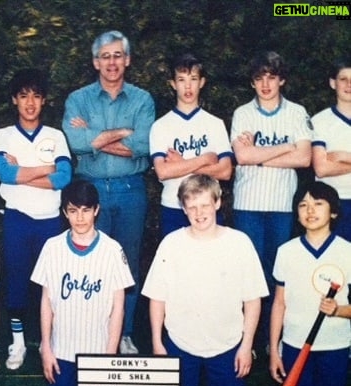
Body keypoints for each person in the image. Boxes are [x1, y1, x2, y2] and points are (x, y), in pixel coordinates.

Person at [141, 174, 268, 386]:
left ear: (217, 203)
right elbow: (157, 297)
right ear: (184, 209)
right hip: (181, 341)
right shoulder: (172, 243)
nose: (199, 213)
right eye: (192, 207)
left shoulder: (239, 243)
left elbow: (252, 300)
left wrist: (246, 345)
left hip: (226, 341)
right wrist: (158, 342)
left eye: (205, 205)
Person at [62, 30, 155, 354]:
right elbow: (74, 143)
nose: (112, 62)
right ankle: (94, 334)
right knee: (91, 263)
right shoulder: (78, 99)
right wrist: (121, 135)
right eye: (105, 56)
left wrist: (95, 139)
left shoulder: (143, 99)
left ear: (127, 60)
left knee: (126, 264)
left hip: (131, 192)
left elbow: (145, 144)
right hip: (90, 192)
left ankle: (125, 334)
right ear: (95, 62)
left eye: (118, 55)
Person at [230, 51, 312, 349]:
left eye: (272, 77)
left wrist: (259, 157)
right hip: (247, 205)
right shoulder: (242, 114)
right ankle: (246, 338)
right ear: (252, 82)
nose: (266, 84)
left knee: (278, 274)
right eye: (259, 78)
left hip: (280, 206)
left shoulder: (297, 112)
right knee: (248, 273)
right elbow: (242, 156)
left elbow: (304, 159)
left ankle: (273, 338)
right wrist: (285, 146)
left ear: (282, 80)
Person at [31, 180, 134, 386]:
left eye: (86, 210)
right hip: (63, 350)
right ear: (64, 212)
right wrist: (46, 347)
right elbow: (46, 302)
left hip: (97, 349)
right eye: (73, 211)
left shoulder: (112, 250)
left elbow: (118, 309)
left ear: (96, 210)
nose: (80, 218)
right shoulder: (52, 247)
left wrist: (110, 355)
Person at [0, 68, 72, 370]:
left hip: (49, 222)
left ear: (44, 101)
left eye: (36, 96)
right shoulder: (4, 135)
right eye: (23, 96)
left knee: (49, 285)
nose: (30, 103)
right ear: (15, 99)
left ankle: (46, 342)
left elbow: (64, 177)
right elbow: (4, 174)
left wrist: (23, 171)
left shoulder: (55, 136)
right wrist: (45, 168)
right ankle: (17, 342)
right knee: (16, 282)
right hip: (17, 219)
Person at [269, 181, 351, 386]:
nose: (310, 210)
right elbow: (278, 303)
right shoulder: (286, 252)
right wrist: (275, 350)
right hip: (295, 342)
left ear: (333, 211)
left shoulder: (347, 251)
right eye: (303, 205)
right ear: (296, 214)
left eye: (318, 203)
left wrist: (338, 310)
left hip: (335, 343)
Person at [149, 52, 233, 237]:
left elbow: (226, 171)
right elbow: (163, 172)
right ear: (173, 84)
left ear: (202, 82)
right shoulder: (161, 126)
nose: (188, 86)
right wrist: (203, 159)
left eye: (193, 79)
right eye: (181, 79)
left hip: (208, 207)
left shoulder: (215, 124)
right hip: (174, 206)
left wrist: (181, 163)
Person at [312, 59, 351, 241]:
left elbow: (330, 165)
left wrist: (344, 156)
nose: (349, 85)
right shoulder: (319, 121)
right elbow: (322, 169)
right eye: (343, 79)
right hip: (333, 204)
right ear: (332, 83)